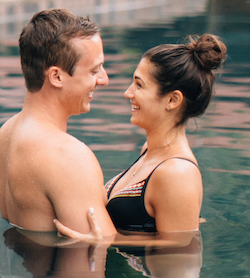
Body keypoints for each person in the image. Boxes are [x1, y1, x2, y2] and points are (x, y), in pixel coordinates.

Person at [56, 34, 227, 244]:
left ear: (172, 100)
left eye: (139, 85)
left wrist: (106, 240)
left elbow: (181, 252)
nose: (128, 93)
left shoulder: (177, 173)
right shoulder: (149, 150)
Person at [0, 9, 117, 237]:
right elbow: (91, 260)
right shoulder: (67, 156)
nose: (104, 80)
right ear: (56, 77)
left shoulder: (6, 134)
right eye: (94, 70)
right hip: (59, 273)